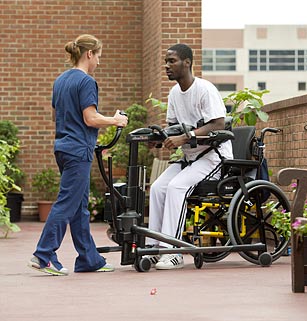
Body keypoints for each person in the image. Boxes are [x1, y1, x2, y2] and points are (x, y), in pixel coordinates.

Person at [28, 34, 128, 276]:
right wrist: (115, 120)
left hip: (63, 147)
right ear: (89, 54)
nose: (99, 62)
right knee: (67, 202)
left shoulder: (60, 81)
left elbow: (56, 116)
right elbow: (90, 118)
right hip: (78, 150)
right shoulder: (86, 82)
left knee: (80, 206)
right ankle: (44, 254)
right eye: (99, 56)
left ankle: (88, 259)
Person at [146, 44, 233, 270]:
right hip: (190, 159)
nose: (167, 66)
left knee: (176, 187)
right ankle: (154, 248)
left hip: (214, 157)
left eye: (172, 61)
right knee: (157, 187)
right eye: (166, 61)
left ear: (187, 62)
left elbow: (218, 124)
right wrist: (160, 138)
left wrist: (185, 138)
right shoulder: (175, 93)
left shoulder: (205, 89)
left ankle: (173, 251)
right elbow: (174, 127)